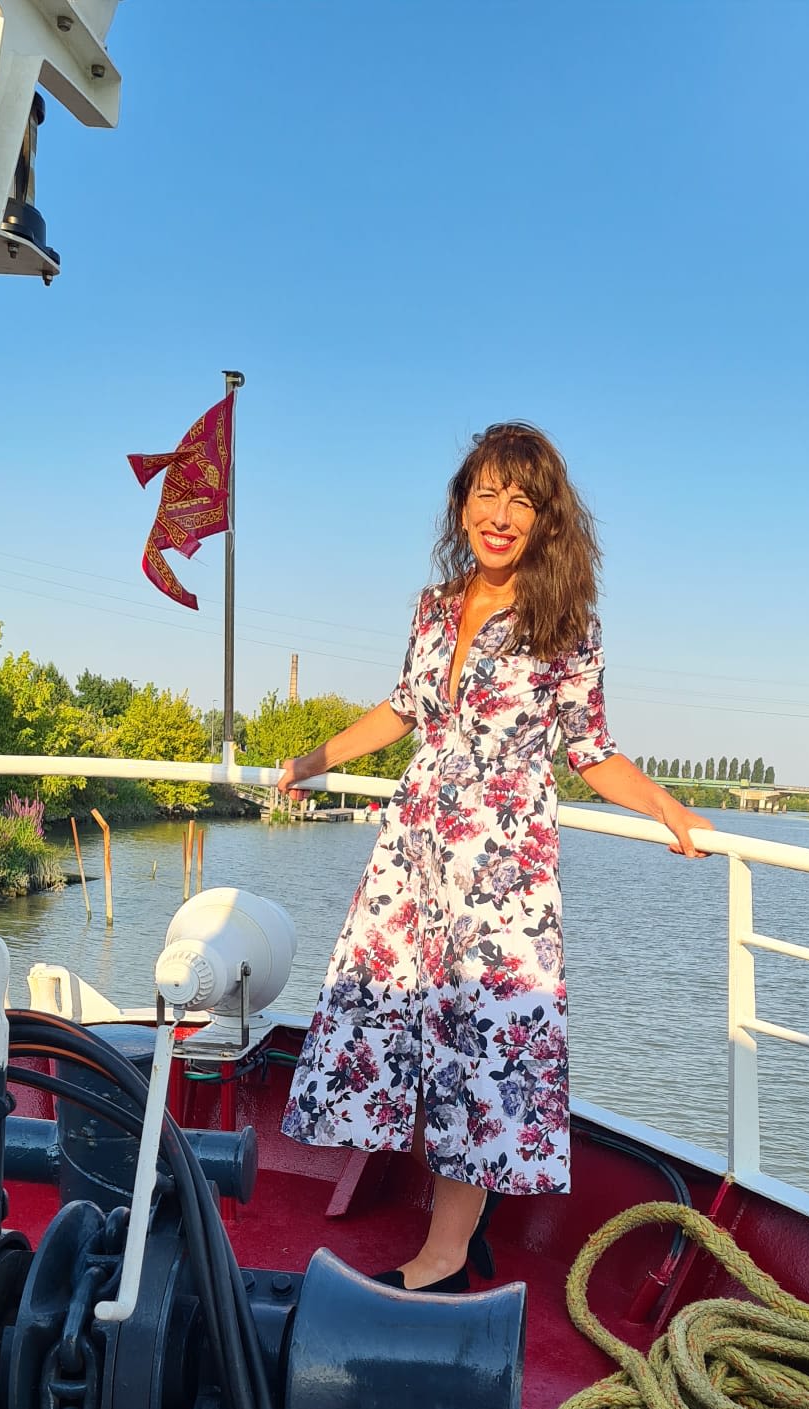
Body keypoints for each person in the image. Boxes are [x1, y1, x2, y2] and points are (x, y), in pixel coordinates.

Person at [277, 421, 713, 1291]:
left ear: (547, 520)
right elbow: (402, 710)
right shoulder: (435, 606)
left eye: (522, 499)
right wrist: (314, 759)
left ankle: (446, 1250)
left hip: (502, 870)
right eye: (487, 493)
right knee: (408, 1023)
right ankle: (456, 1232)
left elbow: (589, 749)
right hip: (416, 853)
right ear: (462, 503)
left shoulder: (567, 626)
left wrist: (664, 802)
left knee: (487, 1042)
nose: (501, 514)